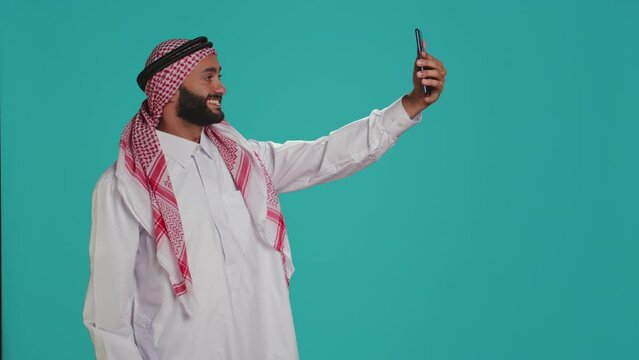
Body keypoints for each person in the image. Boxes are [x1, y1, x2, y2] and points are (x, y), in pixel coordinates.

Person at [82, 36, 447, 360]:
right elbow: (109, 317)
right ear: (171, 88)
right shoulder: (124, 188)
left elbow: (327, 155)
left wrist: (410, 105)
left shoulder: (246, 163)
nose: (221, 87)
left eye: (219, 75)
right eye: (208, 77)